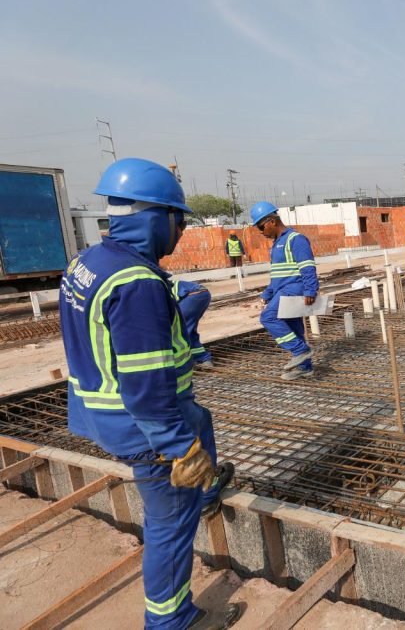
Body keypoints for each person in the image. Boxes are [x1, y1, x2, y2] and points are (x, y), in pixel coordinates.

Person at [59, 158, 240, 629]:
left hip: (97, 410)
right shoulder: (136, 282)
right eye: (177, 220)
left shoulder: (89, 262)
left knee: (200, 418)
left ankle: (204, 492)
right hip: (140, 427)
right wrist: (180, 449)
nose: (179, 232)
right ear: (156, 216)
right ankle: (170, 619)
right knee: (169, 526)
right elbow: (146, 386)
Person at [250, 202, 319, 381]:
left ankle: (300, 350)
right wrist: (267, 294)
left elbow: (307, 267)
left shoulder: (295, 239)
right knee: (294, 328)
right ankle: (305, 367)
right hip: (283, 289)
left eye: (261, 226)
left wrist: (311, 290)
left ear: (272, 221)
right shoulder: (277, 244)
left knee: (268, 317)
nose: (261, 231)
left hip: (294, 289)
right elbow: (278, 276)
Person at [174, 280, 213, 369]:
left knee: (181, 330)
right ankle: (202, 358)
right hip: (203, 293)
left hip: (192, 295)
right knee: (189, 329)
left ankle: (189, 361)